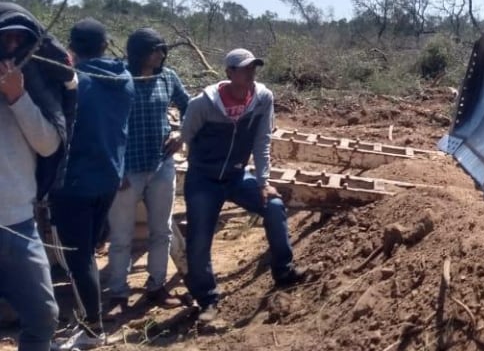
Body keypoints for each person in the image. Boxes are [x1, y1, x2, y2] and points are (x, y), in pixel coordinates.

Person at [181, 48, 304, 322]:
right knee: (199, 239)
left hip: (237, 176)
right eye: (244, 68)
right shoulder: (203, 104)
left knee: (273, 205)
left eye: (253, 68)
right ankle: (207, 300)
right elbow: (187, 134)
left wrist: (263, 181)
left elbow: (262, 140)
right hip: (204, 179)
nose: (251, 73)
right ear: (229, 72)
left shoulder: (262, 99)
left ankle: (284, 271)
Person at [49, 18, 135, 350]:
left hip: (73, 182)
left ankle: (92, 329)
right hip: (108, 178)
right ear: (105, 45)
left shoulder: (75, 83)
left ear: (71, 48)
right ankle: (87, 319)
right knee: (87, 253)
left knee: (77, 257)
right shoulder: (125, 79)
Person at [0, 5, 70, 351]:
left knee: (43, 317)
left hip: (19, 223)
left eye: (19, 40)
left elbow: (48, 145)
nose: (12, 47)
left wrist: (18, 97)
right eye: (5, 39)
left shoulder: (34, 86)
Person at [106, 28, 190, 310]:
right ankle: (118, 293)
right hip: (127, 171)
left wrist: (181, 134)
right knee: (121, 236)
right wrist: (116, 170)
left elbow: (189, 106)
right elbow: (106, 125)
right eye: (155, 50)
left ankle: (156, 286)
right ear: (138, 52)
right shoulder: (119, 79)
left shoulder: (167, 77)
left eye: (162, 49)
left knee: (161, 231)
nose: (160, 55)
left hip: (160, 165)